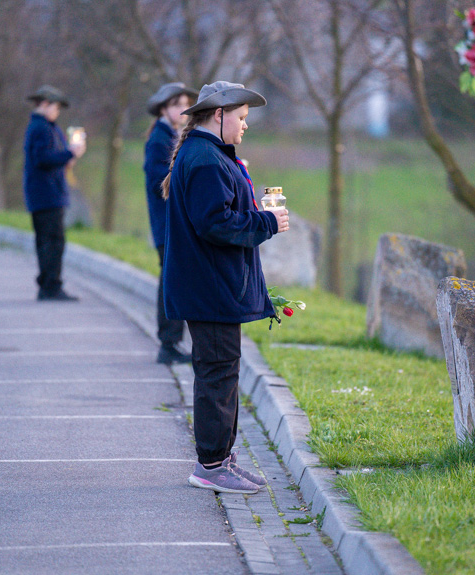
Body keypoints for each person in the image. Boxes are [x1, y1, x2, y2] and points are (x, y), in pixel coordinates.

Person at [161, 81, 289, 494]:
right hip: (209, 290)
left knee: (223, 373)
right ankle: (211, 465)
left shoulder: (209, 155)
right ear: (219, 115)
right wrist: (267, 223)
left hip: (213, 289)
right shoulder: (204, 160)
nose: (245, 125)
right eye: (242, 118)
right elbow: (215, 223)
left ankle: (221, 459)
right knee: (217, 375)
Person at [143, 82, 198, 364]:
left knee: (174, 283)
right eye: (177, 104)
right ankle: (168, 344)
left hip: (172, 226)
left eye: (185, 104)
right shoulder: (159, 139)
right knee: (170, 284)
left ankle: (172, 342)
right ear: (164, 108)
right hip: (166, 227)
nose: (183, 109)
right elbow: (157, 183)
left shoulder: (171, 135)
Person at [23, 84, 86, 301]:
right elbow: (42, 159)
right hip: (46, 195)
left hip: (48, 193)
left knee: (48, 241)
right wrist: (69, 152)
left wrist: (68, 157)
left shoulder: (47, 127)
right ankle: (51, 286)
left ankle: (48, 284)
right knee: (53, 241)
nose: (57, 112)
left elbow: (52, 159)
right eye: (56, 107)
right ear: (44, 104)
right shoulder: (40, 128)